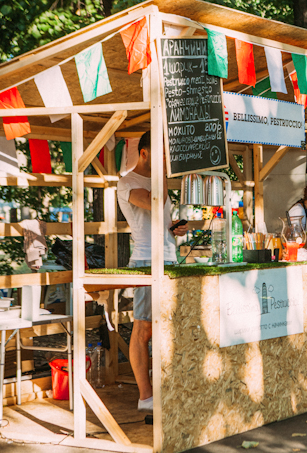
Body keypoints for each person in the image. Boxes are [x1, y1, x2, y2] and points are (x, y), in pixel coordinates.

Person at [117, 131, 188, 411]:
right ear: (144, 153)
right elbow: (153, 203)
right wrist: (162, 177)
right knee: (143, 328)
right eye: (161, 153)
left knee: (167, 328)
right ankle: (145, 396)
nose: (165, 160)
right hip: (146, 261)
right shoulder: (127, 182)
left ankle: (164, 388)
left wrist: (177, 228)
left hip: (170, 258)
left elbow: (162, 218)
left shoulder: (160, 181)